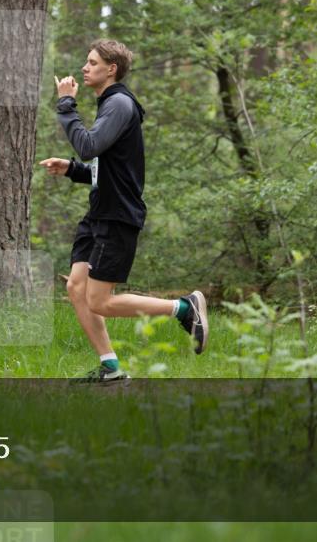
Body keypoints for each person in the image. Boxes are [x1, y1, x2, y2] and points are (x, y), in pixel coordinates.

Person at [39, 38, 208, 385]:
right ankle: (111, 368)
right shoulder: (110, 106)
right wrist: (71, 169)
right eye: (86, 62)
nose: (84, 68)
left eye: (92, 63)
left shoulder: (118, 105)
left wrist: (67, 104)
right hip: (100, 212)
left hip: (117, 216)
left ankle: (184, 308)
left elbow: (88, 146)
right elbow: (105, 168)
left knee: (100, 301)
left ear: (111, 69)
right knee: (75, 287)